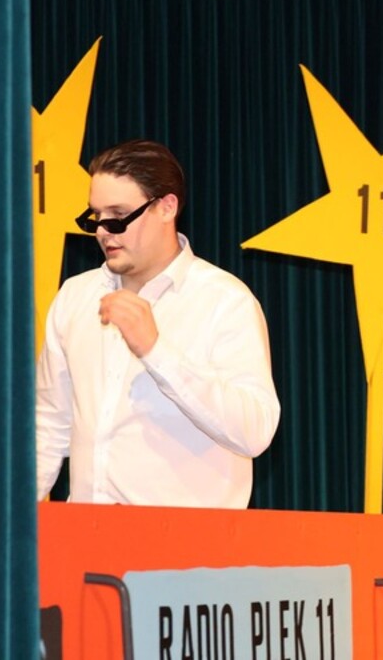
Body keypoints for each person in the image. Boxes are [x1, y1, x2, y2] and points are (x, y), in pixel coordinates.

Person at [35, 139, 280, 508]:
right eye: (95, 216)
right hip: (85, 532)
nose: (103, 231)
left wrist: (156, 352)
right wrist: (6, 524)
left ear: (167, 207)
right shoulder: (75, 296)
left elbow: (255, 431)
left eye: (118, 215)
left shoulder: (225, 301)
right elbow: (48, 428)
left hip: (186, 539)